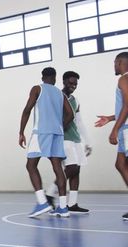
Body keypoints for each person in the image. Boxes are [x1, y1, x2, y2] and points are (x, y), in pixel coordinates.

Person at [19, 67, 74, 218]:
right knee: (57, 167)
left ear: (42, 77)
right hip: (57, 133)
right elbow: (71, 114)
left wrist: (21, 132)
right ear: (55, 78)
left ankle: (42, 202)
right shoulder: (60, 93)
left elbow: (27, 110)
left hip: (41, 132)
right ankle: (63, 207)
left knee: (31, 165)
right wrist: (60, 125)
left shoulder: (37, 88)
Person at [45, 71, 92, 214]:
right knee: (71, 168)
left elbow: (79, 122)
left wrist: (88, 142)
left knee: (77, 170)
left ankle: (72, 204)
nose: (73, 86)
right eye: (71, 83)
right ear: (64, 81)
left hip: (76, 139)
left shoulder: (75, 100)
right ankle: (50, 192)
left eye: (75, 84)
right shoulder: (57, 96)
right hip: (63, 138)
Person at [95, 52, 128, 221]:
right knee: (120, 164)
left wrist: (115, 129)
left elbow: (127, 106)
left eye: (115, 63)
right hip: (124, 126)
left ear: (120, 62)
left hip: (126, 129)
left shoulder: (123, 79)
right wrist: (110, 118)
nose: (114, 66)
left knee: (122, 164)